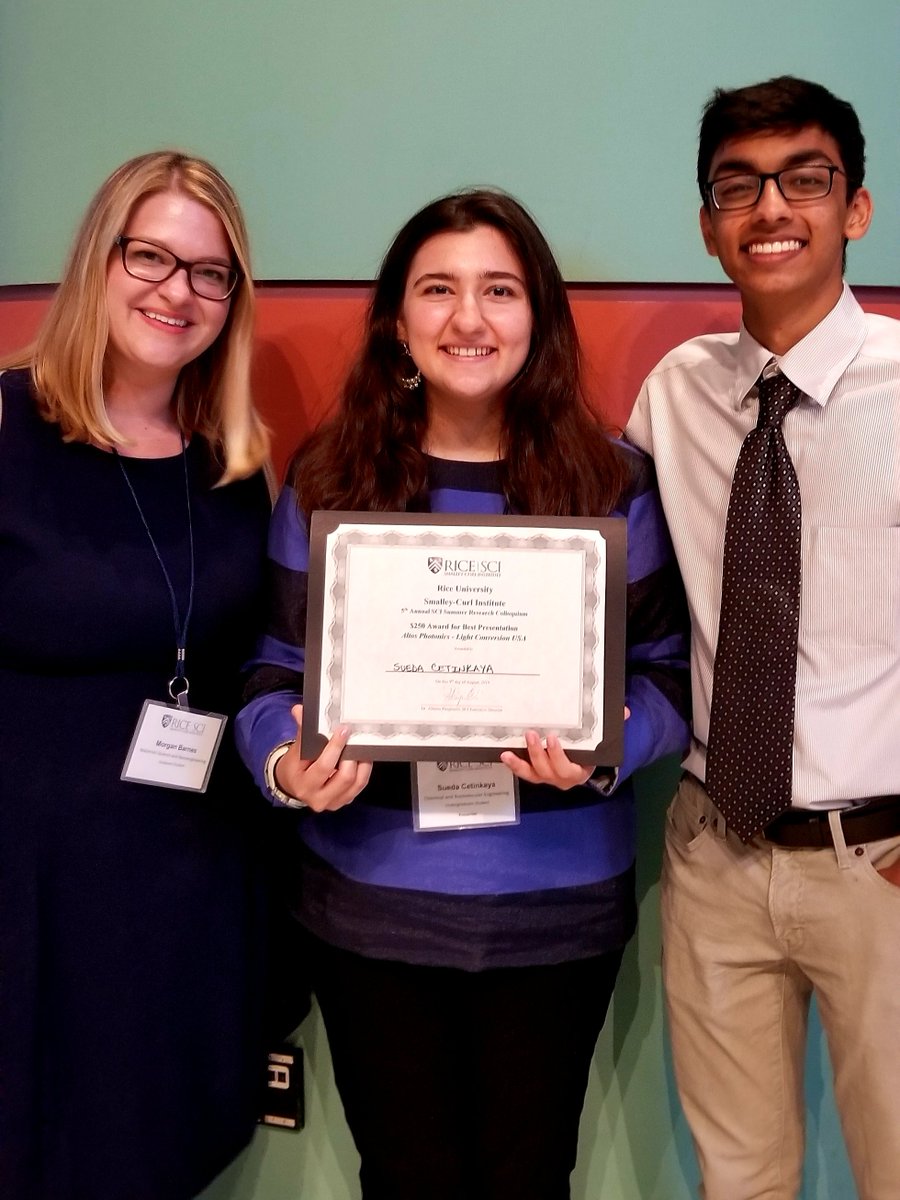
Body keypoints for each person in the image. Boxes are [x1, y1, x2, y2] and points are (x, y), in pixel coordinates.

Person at [237, 188, 690, 1200]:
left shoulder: (611, 483)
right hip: (367, 907)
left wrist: (612, 742)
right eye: (438, 290)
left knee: (533, 1178)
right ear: (398, 321)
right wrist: (284, 759)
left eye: (499, 290)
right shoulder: (327, 480)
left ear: (539, 316)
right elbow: (270, 669)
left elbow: (668, 676)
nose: (469, 319)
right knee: (403, 1178)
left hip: (555, 908)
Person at [626, 76, 900, 1199]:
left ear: (857, 209)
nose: (770, 206)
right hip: (714, 859)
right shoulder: (676, 393)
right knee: (737, 1184)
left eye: (805, 177)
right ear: (707, 224)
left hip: (879, 864)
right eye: (737, 185)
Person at [0, 151, 279, 1200]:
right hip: (28, 896)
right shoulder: (7, 426)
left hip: (184, 890)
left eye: (211, 273)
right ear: (98, 260)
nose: (178, 292)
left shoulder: (235, 468)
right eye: (152, 256)